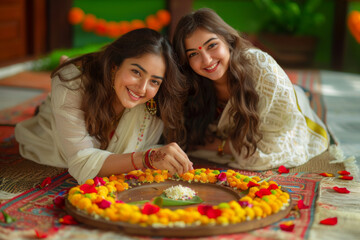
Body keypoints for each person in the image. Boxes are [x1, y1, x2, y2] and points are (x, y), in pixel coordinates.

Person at [15, 28, 193, 184]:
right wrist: (147, 158)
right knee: (68, 79)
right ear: (115, 66)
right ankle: (63, 80)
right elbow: (82, 162)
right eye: (136, 72)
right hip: (52, 132)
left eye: (154, 81)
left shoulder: (154, 98)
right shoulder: (72, 83)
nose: (142, 88)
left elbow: (146, 147)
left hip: (101, 90)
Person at [172, 8, 329, 171]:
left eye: (212, 45)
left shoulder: (261, 69)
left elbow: (270, 151)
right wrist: (233, 144)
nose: (206, 60)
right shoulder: (190, 80)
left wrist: (221, 145)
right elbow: (182, 138)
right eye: (193, 54)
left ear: (228, 40)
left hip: (288, 99)